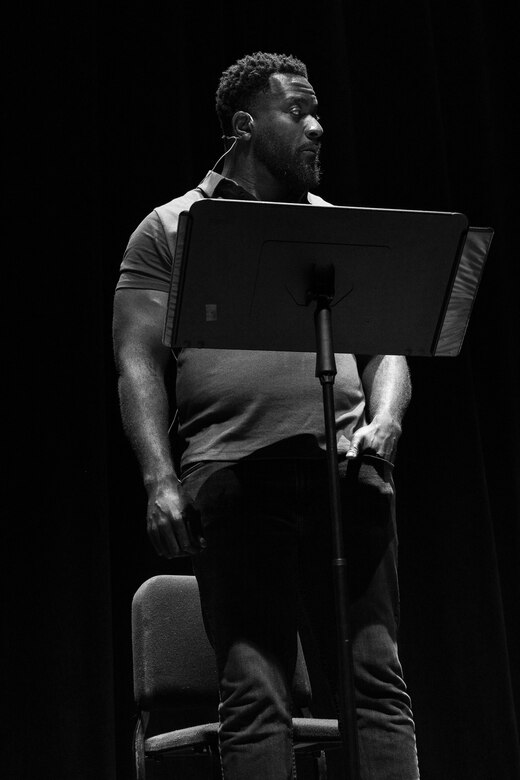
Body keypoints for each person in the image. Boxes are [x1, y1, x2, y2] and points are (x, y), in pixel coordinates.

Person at [113, 51, 420, 779]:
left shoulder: (338, 228)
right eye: (299, 111)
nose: (318, 127)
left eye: (317, 112)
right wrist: (159, 477)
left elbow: (388, 351)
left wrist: (387, 424)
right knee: (255, 690)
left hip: (348, 475)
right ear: (245, 125)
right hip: (232, 478)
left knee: (376, 681)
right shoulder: (169, 228)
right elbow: (136, 361)